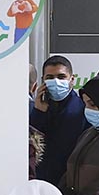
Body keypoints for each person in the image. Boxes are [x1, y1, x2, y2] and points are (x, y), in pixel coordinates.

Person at [31, 55, 89, 186]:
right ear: (43, 80)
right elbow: (33, 143)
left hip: (71, 181)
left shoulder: (83, 109)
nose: (56, 81)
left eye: (61, 77)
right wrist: (38, 112)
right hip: (41, 180)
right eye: (50, 77)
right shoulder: (37, 108)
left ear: (72, 79)